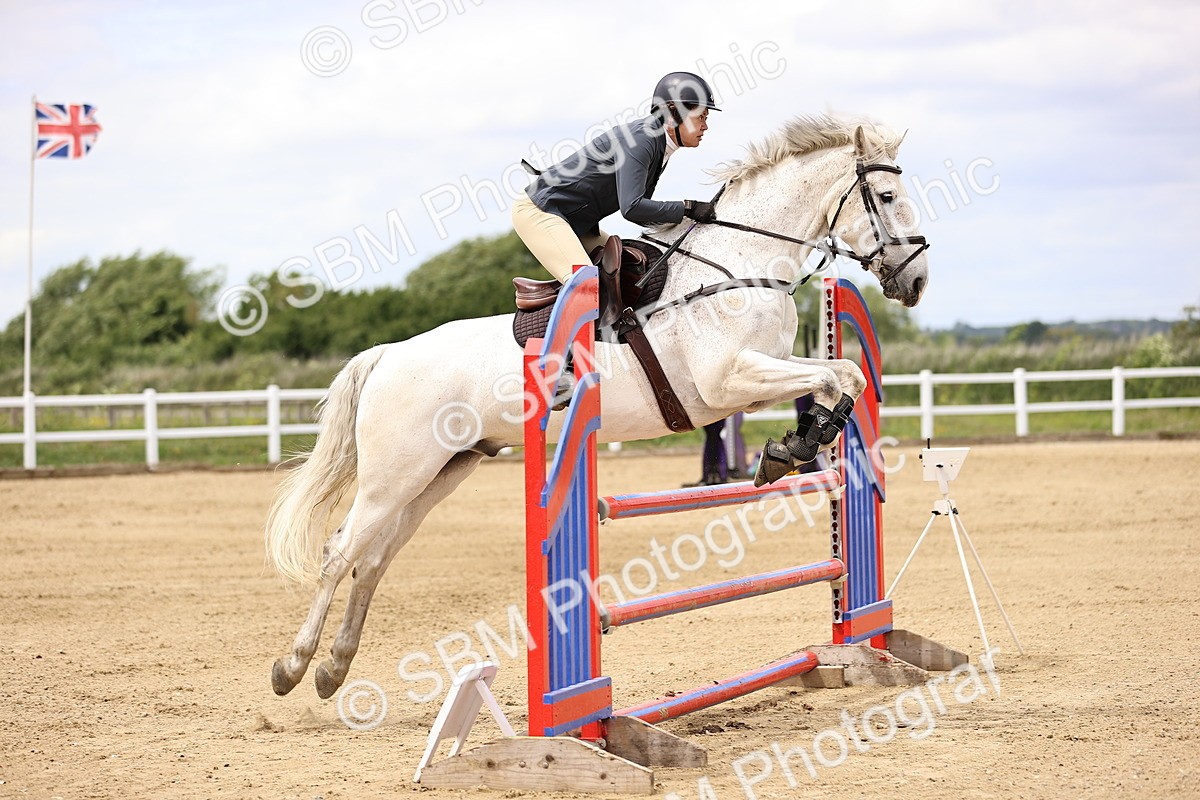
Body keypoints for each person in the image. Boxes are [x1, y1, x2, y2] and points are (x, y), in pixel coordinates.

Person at [513, 71, 721, 284]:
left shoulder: (660, 146)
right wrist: (687, 208)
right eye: (701, 117)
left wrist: (687, 218)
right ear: (672, 113)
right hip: (541, 212)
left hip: (576, 222)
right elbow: (631, 208)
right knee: (586, 285)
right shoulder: (643, 139)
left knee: (633, 272)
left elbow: (640, 214)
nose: (705, 126)